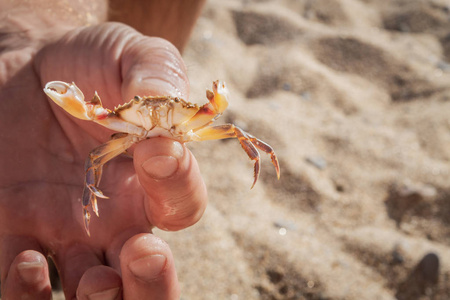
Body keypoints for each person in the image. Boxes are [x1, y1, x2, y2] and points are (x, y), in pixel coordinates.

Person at [0, 0, 208, 299]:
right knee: (95, 159)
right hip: (128, 133)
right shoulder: (114, 125)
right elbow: (94, 127)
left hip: (151, 131)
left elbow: (223, 118)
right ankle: (84, 217)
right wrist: (21, 43)